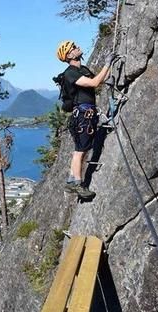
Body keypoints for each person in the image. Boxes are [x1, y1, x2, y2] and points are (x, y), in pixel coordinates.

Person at [56, 40, 114, 199]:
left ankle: (71, 182)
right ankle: (78, 185)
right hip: (82, 116)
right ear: (69, 55)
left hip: (86, 115)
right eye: (73, 48)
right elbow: (95, 82)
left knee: (83, 149)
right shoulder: (70, 73)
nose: (77, 47)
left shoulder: (82, 69)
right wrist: (107, 63)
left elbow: (100, 78)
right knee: (80, 151)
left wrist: (110, 68)